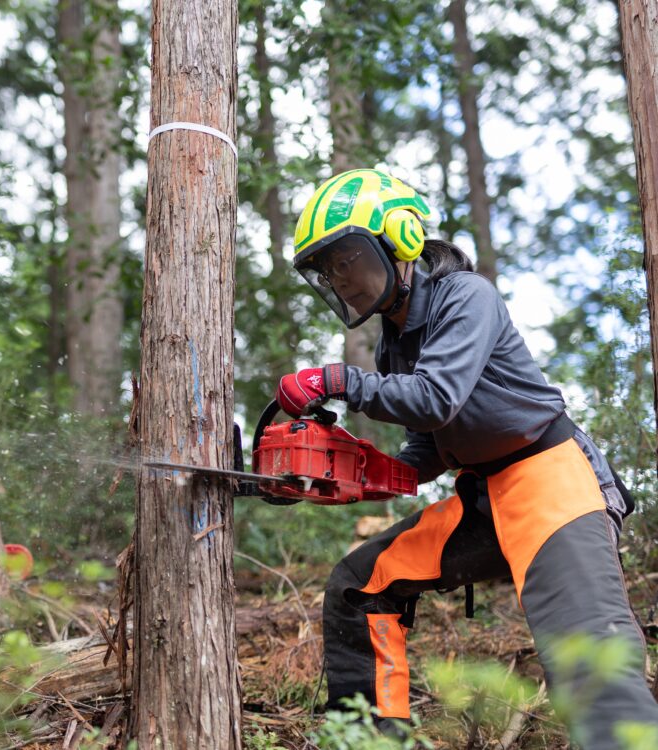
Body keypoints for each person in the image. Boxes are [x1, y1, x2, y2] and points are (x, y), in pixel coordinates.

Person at [275, 168, 658, 748]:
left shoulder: (465, 296)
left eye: (347, 256)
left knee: (593, 665)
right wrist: (363, 471)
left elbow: (435, 398)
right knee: (361, 583)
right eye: (329, 269)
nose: (341, 277)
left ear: (400, 238)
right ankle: (373, 738)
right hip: (483, 498)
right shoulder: (393, 341)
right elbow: (427, 447)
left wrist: (336, 380)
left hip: (552, 484)